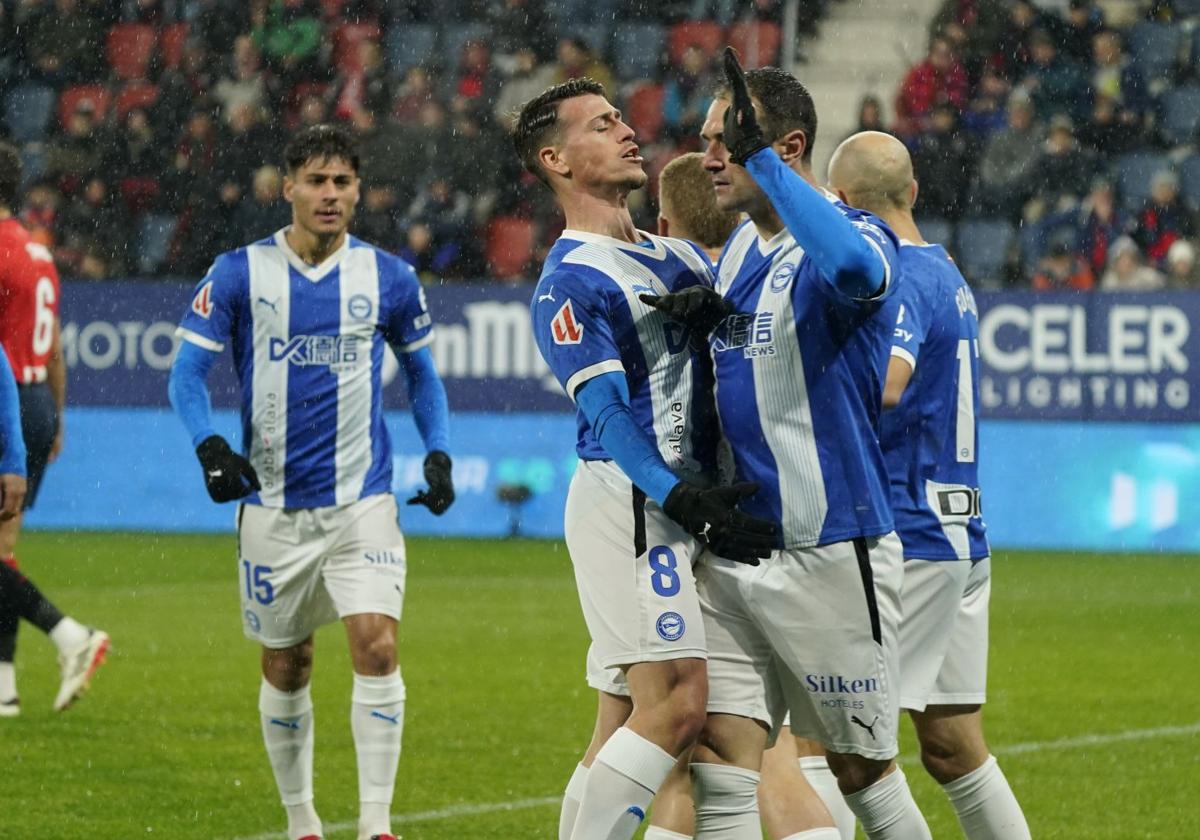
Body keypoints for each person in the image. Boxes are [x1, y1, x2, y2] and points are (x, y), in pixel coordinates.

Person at [647, 50, 931, 838]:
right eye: (708, 139)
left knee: (863, 773)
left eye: (726, 139)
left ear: (788, 148)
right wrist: (714, 316)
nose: (710, 157)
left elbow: (853, 272)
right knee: (719, 752)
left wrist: (763, 165)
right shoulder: (741, 250)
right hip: (740, 547)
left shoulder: (856, 232)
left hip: (830, 550)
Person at [167, 124, 455, 840]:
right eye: (317, 181)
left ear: (358, 191)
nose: (330, 195)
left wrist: (439, 451)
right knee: (288, 662)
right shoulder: (238, 272)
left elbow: (422, 374)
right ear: (288, 186)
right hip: (273, 508)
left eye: (343, 182)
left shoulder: (389, 277)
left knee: (377, 644)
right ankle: (302, 821)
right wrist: (207, 445)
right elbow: (186, 373)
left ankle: (377, 824)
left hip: (364, 499)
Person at [514, 78, 776, 840]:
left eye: (623, 117)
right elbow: (604, 413)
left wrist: (723, 315)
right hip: (636, 506)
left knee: (708, 733)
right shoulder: (568, 281)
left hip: (692, 511)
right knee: (677, 708)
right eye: (602, 125)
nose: (629, 130)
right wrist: (677, 496)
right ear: (556, 159)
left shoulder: (673, 256)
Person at [825, 130, 1032, 839]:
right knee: (950, 743)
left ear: (842, 206)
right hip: (960, 530)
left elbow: (888, 384)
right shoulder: (947, 269)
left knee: (836, 748)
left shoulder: (898, 277)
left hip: (910, 533)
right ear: (911, 193)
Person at [0, 141, 108, 717]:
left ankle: (70, 635)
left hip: (5, 399)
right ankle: (4, 688)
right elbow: (57, 345)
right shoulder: (37, 252)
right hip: (36, 397)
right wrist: (56, 418)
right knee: (2, 552)